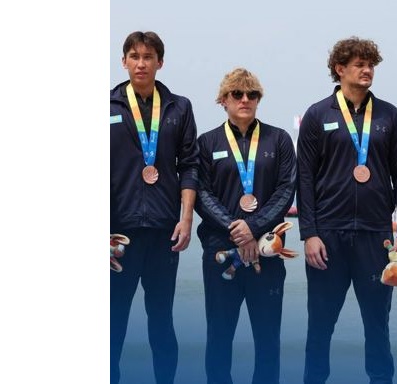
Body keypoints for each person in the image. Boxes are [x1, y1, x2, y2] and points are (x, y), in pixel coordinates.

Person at [297, 36, 397, 384]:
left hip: (376, 236)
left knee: (377, 325)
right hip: (328, 237)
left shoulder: (389, 115)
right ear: (340, 69)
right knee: (320, 326)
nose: (367, 71)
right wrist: (309, 233)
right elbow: (304, 179)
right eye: (359, 64)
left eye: (371, 65)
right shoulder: (318, 115)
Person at [194, 68, 297, 384]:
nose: (245, 99)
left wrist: (253, 227)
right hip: (220, 251)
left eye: (252, 94)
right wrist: (236, 229)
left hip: (266, 251)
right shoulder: (207, 142)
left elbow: (286, 189)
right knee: (219, 336)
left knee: (268, 338)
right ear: (223, 100)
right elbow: (201, 194)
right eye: (237, 94)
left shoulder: (279, 139)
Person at [110, 31, 199, 384]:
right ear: (124, 62)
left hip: (164, 231)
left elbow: (189, 165)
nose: (141, 63)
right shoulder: (106, 107)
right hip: (117, 233)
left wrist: (186, 218)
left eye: (148, 57)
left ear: (160, 62)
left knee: (161, 320)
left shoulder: (179, 107)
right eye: (134, 56)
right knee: (112, 321)